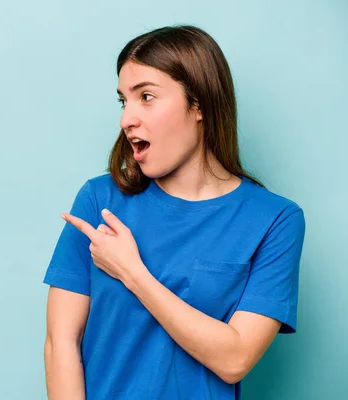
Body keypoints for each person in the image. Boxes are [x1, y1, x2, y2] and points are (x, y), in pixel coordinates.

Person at [42, 25, 306, 400]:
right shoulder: (98, 200)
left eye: (146, 97)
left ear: (198, 104)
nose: (126, 119)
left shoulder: (276, 220)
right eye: (124, 101)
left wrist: (133, 272)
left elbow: (235, 359)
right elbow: (60, 343)